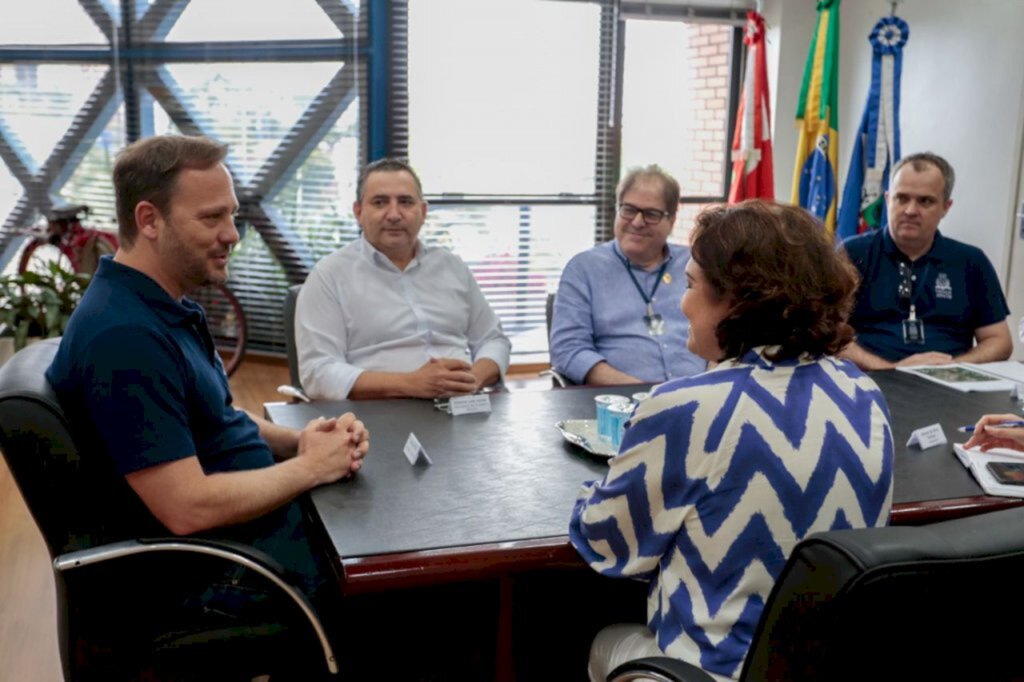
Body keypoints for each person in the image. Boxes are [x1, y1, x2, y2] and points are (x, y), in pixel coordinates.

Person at [569, 201, 894, 681]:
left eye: (692, 284)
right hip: (824, 665)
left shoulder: (689, 407)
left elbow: (607, 544)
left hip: (714, 670)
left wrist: (586, 494)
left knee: (596, 640)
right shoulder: (864, 391)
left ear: (738, 301)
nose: (683, 303)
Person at [46, 135, 369, 601]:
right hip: (231, 568)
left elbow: (217, 417)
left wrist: (301, 441)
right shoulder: (124, 338)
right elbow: (186, 508)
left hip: (252, 532)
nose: (232, 234)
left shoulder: (159, 305)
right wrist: (311, 468)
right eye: (212, 217)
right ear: (149, 220)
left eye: (232, 214)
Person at [295, 158, 511, 400]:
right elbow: (318, 372)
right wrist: (410, 384)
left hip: (464, 406)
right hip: (378, 413)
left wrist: (470, 380)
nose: (394, 214)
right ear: (359, 212)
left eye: (406, 202)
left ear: (423, 211)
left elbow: (493, 339)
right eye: (380, 202)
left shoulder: (452, 267)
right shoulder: (329, 276)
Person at [840, 152, 1012, 370]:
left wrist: (951, 369)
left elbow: (999, 341)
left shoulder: (971, 261)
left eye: (925, 201)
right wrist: (892, 370)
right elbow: (829, 336)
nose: (911, 210)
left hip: (951, 385)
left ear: (946, 207)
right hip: (870, 381)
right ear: (887, 199)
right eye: (901, 198)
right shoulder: (852, 254)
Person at [550, 165, 706, 385]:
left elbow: (722, 333)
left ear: (671, 221)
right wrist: (643, 393)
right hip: (621, 402)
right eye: (629, 210)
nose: (637, 222)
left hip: (701, 397)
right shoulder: (584, 269)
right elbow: (569, 350)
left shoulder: (695, 265)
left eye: (651, 214)